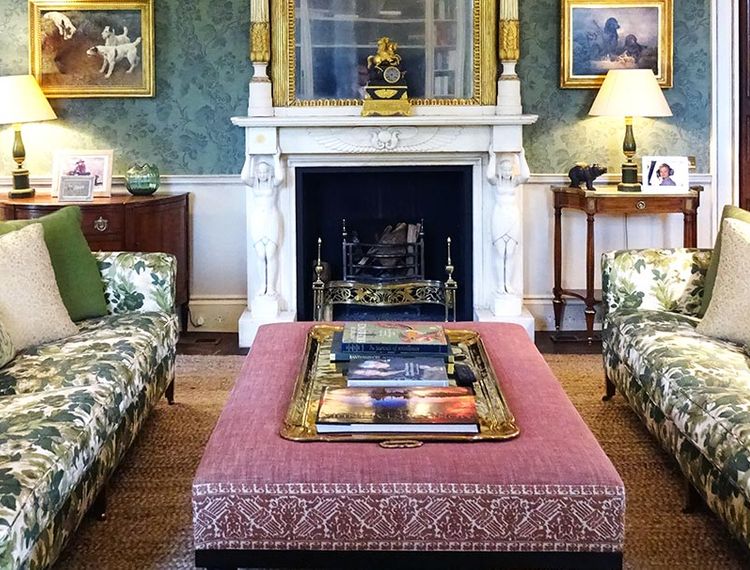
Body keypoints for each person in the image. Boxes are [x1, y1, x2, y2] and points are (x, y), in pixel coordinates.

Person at [241, 151, 284, 297]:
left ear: (269, 172)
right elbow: (244, 178)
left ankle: (271, 287)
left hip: (272, 220)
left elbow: (280, 177)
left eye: (265, 172)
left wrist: (276, 158)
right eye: (260, 172)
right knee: (260, 254)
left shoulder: (273, 183)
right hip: (258, 221)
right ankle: (262, 286)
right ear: (256, 173)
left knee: (271, 254)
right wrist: (248, 158)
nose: (263, 174)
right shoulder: (254, 184)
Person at [488, 149, 530, 296]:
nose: (507, 172)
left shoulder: (515, 182)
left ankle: (509, 284)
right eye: (504, 169)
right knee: (500, 252)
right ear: (500, 170)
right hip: (499, 217)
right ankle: (501, 284)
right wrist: (492, 157)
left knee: (510, 252)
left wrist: (521, 156)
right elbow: (489, 176)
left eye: (509, 169)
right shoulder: (496, 181)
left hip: (512, 217)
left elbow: (526, 176)